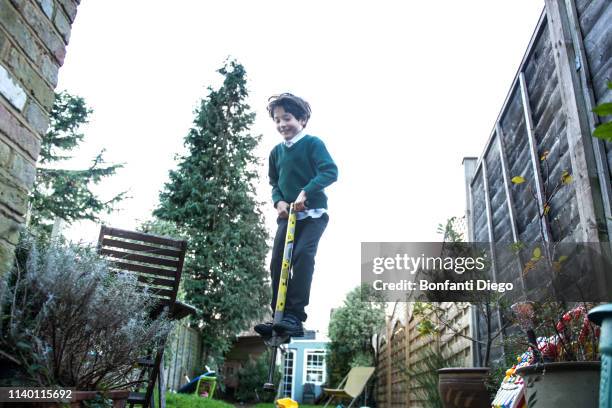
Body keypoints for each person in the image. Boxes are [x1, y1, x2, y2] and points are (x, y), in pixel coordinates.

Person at [254, 93, 338, 337]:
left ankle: (294, 317)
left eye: (287, 118)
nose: (282, 125)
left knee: (302, 255)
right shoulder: (276, 153)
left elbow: (330, 171)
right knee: (277, 262)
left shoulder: (313, 144)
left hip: (313, 215)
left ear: (301, 119)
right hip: (287, 216)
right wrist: (278, 201)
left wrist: (305, 192)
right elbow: (274, 182)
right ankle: (277, 316)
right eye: (277, 120)